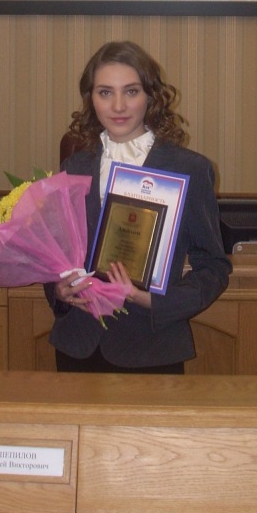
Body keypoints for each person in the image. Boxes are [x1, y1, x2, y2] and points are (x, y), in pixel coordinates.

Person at [44, 41, 232, 373]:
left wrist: (150, 300)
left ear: (150, 96)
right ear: (91, 99)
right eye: (105, 92)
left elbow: (213, 268)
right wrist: (58, 290)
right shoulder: (74, 167)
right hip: (78, 345)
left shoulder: (188, 169)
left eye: (131, 91)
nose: (118, 106)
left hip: (151, 346)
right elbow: (54, 255)